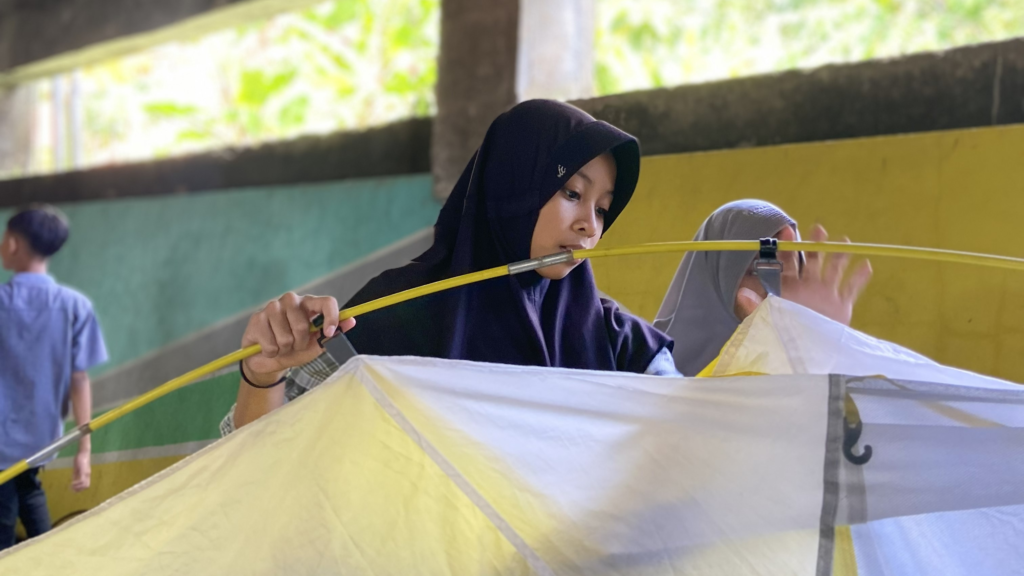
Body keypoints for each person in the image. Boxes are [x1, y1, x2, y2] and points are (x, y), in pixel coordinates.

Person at [223, 99, 679, 433]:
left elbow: (694, 436)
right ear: (511, 184)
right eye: (573, 194)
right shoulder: (394, 314)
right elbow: (255, 477)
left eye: (602, 208)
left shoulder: (619, 343)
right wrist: (264, 375)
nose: (590, 227)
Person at [653, 199, 873, 376]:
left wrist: (820, 343)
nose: (775, 291)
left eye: (792, 272)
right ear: (716, 276)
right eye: (757, 270)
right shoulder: (645, 359)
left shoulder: (808, 362)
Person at [0, 205, 107, 550]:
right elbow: (80, 380)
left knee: (5, 512)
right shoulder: (75, 306)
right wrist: (83, 449)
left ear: (13, 244)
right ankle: (50, 557)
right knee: (27, 491)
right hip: (40, 438)